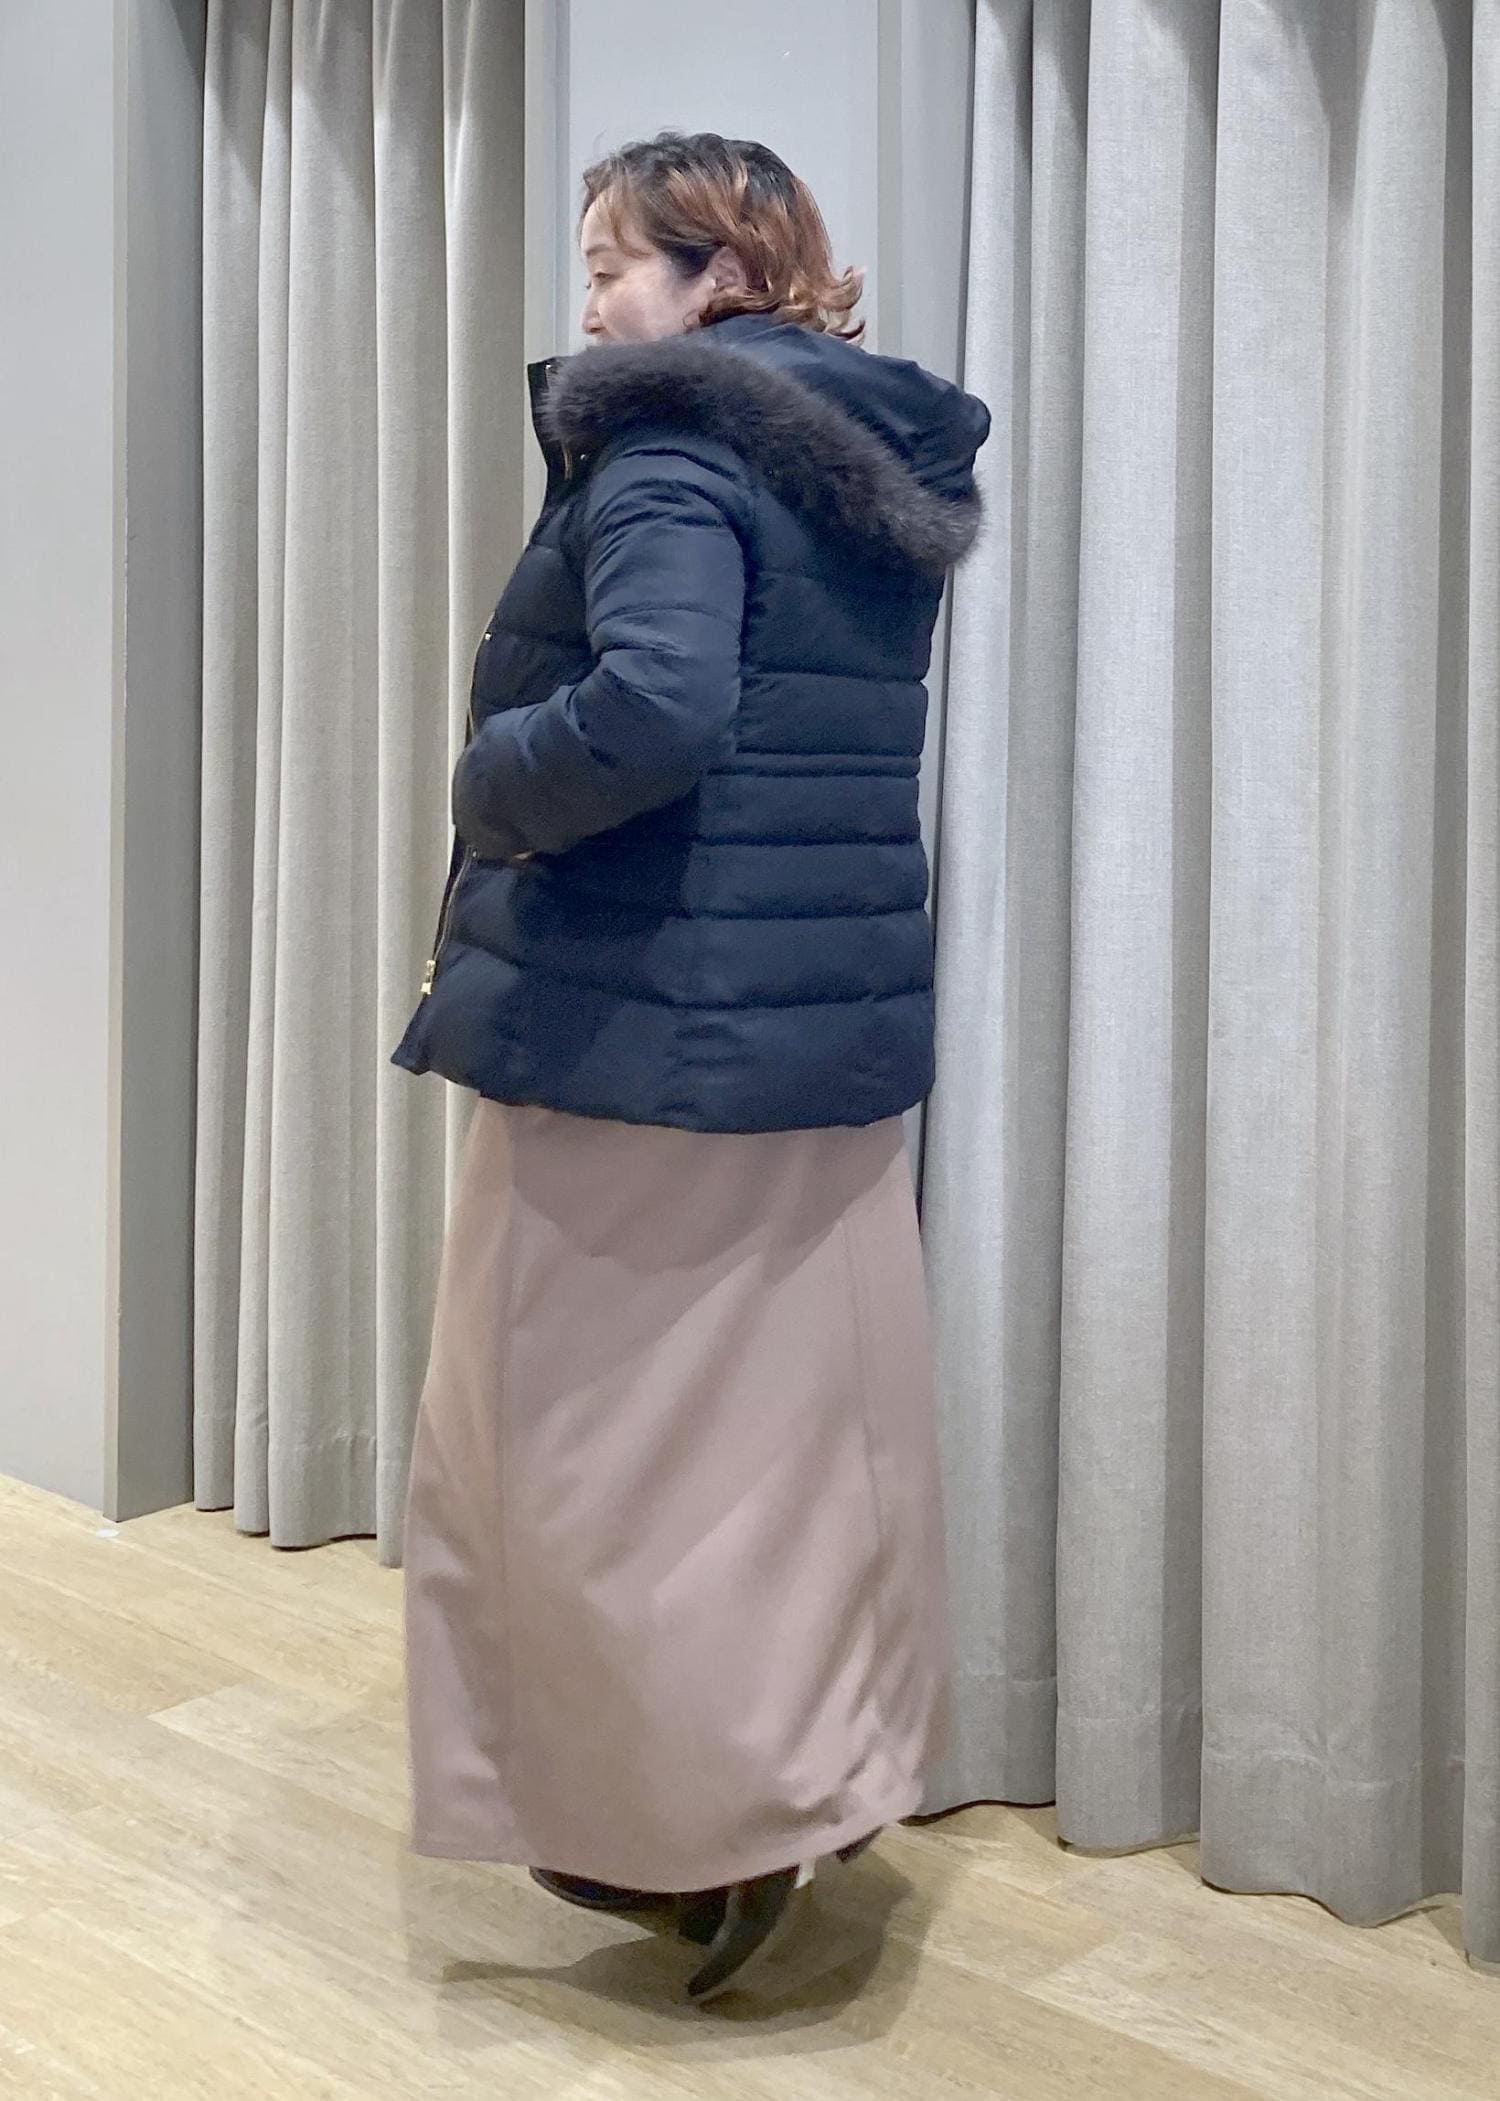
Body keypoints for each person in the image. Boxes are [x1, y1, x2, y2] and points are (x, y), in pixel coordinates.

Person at [392, 130, 990, 2006]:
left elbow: (656, 704)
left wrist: (486, 779)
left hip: (641, 1033)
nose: (587, 306)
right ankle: (810, 1782)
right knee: (792, 1452)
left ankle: (676, 1832)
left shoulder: (666, 449)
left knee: (570, 1451)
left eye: (609, 268)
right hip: (816, 1033)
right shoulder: (866, 469)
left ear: (718, 276)